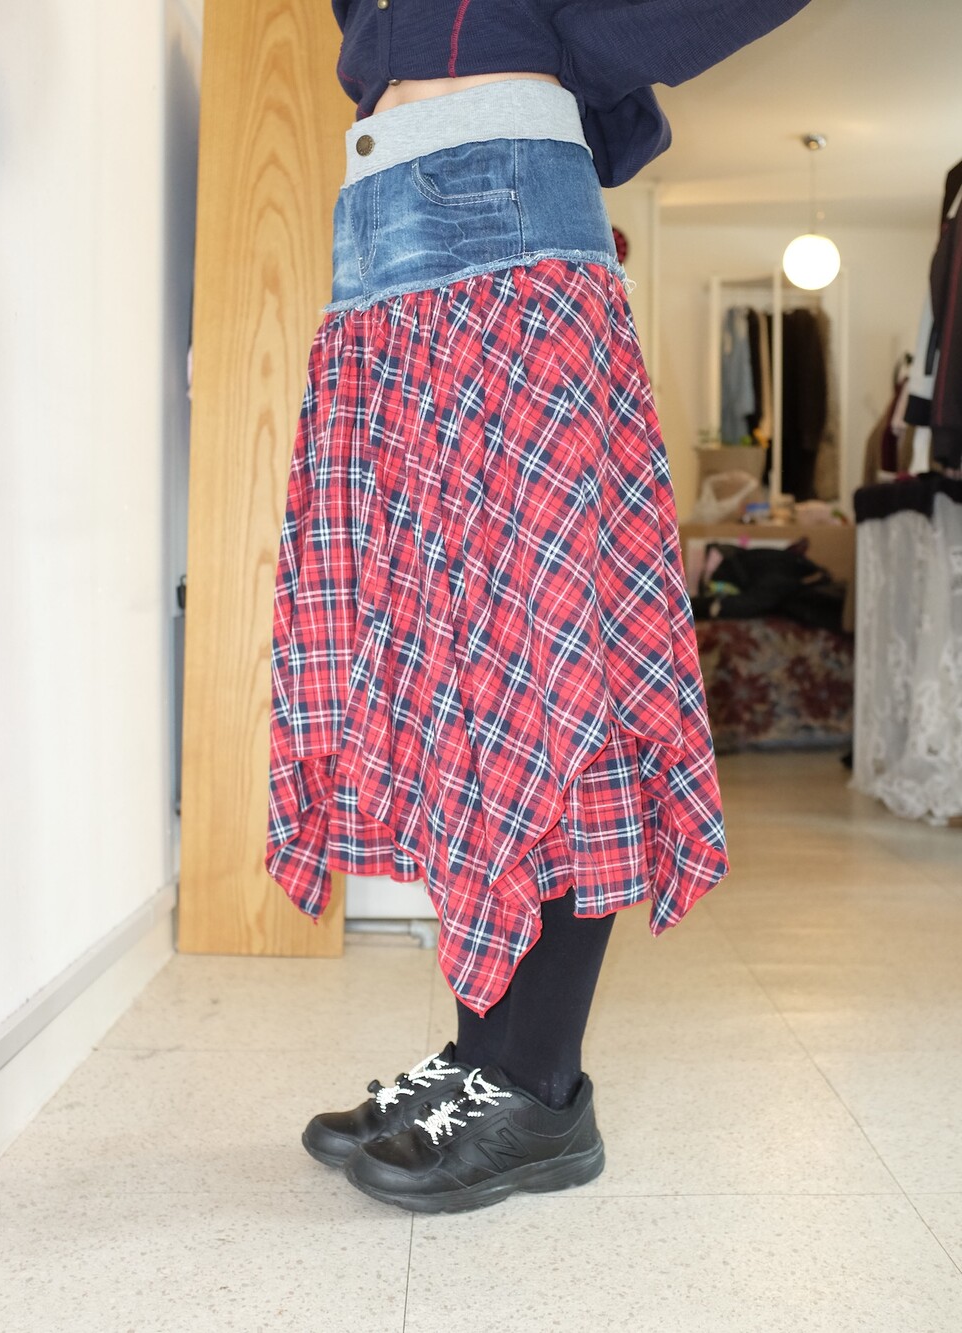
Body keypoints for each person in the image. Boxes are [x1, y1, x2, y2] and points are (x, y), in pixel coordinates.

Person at [266, 0, 811, 1214]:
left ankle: (540, 1084)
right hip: (385, 242)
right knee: (462, 683)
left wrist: (564, 43)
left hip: (502, 221)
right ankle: (485, 1060)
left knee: (551, 664)